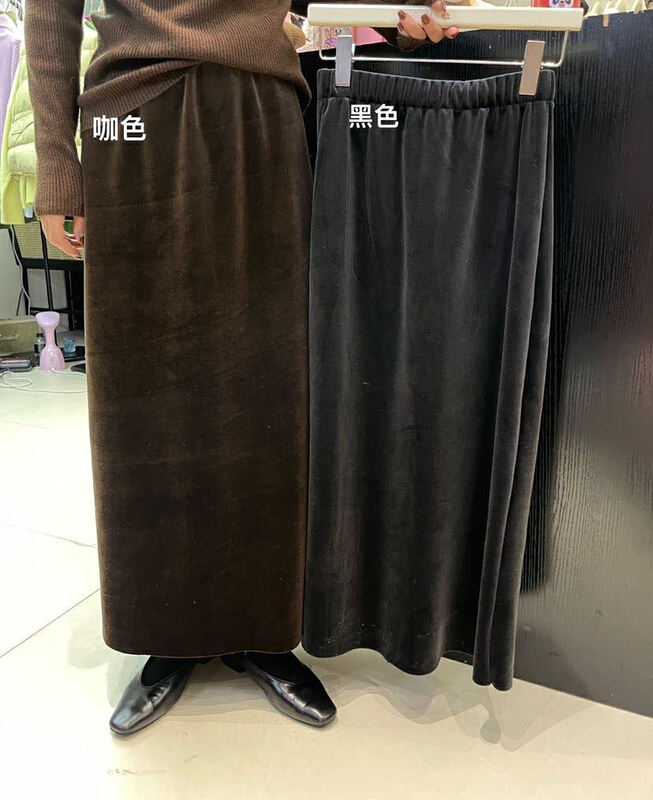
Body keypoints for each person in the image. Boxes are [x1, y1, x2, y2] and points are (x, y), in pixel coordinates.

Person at [24, 0, 455, 737]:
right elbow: (49, 12)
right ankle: (166, 631)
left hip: (261, 106)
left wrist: (397, 8)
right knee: (142, 397)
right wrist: (59, 165)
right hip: (134, 112)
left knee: (268, 384)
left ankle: (264, 628)